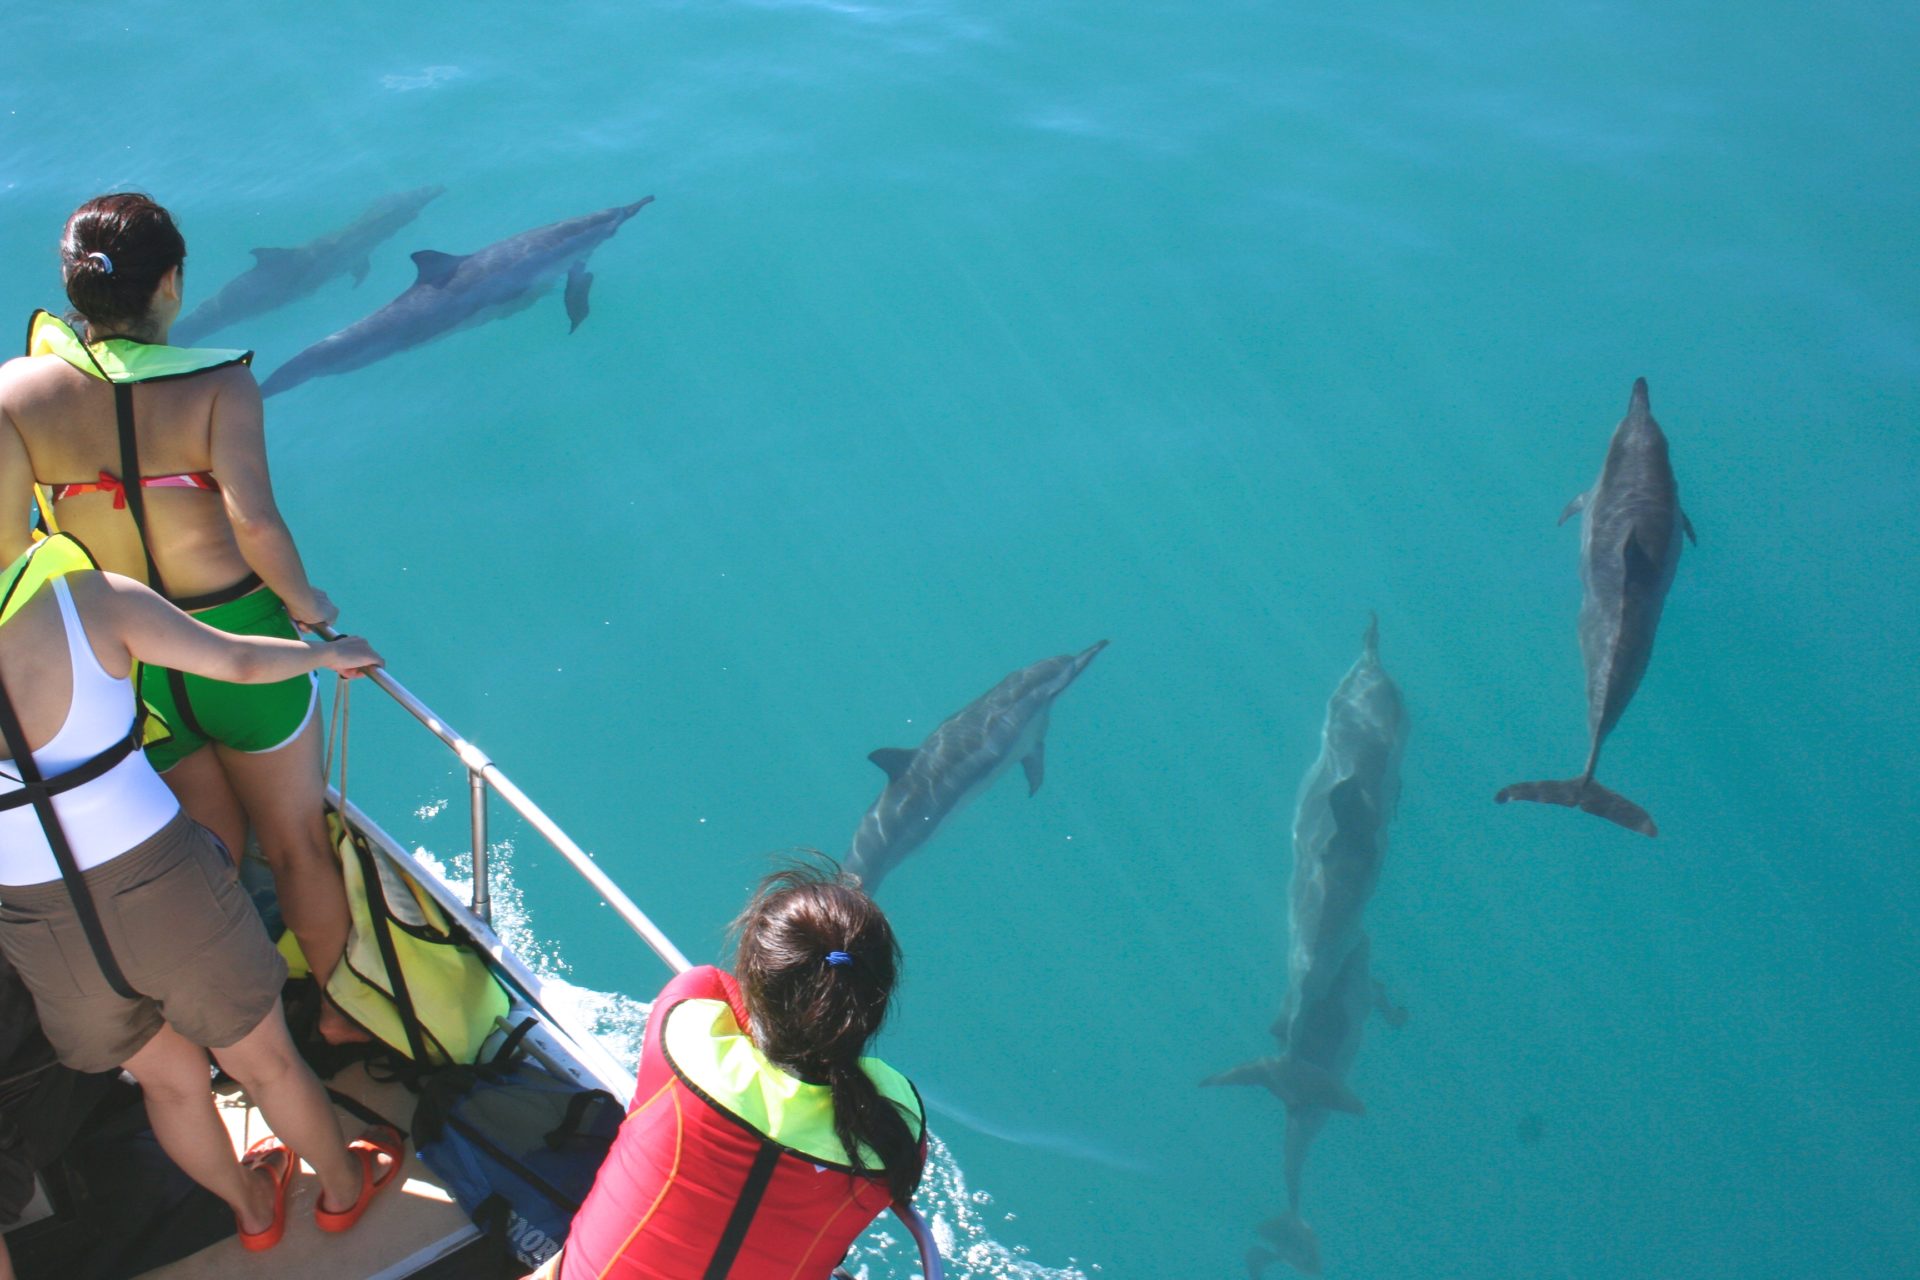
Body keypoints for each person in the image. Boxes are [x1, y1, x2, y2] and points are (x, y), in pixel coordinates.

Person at [0, 192, 360, 1041]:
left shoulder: (14, 393)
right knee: (297, 844)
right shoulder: (221, 384)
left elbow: (12, 551)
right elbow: (255, 523)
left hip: (129, 658)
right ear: (171, 282)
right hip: (243, 639)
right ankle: (339, 1018)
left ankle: (234, 1029)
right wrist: (309, 608)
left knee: (204, 850)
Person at [0, 533, 399, 1251]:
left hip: (40, 922)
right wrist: (325, 655)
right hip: (157, 880)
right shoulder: (88, 597)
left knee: (170, 1087)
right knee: (265, 1061)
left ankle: (252, 1211)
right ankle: (343, 1188)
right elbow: (238, 661)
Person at [552, 863, 927, 1280]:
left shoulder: (684, 1046)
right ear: (872, 1006)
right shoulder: (900, 1121)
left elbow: (710, 982)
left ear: (758, 978)